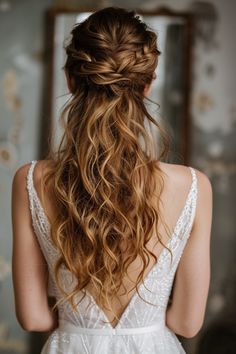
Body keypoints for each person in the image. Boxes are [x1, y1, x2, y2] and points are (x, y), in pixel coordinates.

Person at [11, 7, 212, 354]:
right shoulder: (193, 186)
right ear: (147, 85)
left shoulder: (32, 180)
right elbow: (186, 323)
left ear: (71, 80)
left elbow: (34, 319)